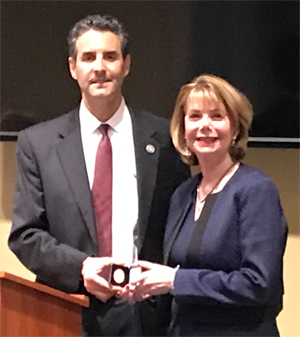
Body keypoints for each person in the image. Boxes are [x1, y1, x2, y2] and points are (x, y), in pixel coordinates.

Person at [8, 14, 190, 337]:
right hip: (67, 308)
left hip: (146, 317)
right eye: (88, 57)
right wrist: (80, 267)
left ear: (127, 64)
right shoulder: (38, 144)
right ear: (72, 68)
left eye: (110, 56)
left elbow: (179, 228)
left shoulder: (165, 139)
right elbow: (25, 235)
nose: (100, 67)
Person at [123, 74, 288, 336]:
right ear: (183, 128)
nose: (205, 126)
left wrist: (175, 280)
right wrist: (146, 284)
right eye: (195, 116)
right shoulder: (183, 194)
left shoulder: (256, 190)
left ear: (235, 129)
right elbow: (176, 277)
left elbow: (259, 284)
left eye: (217, 116)